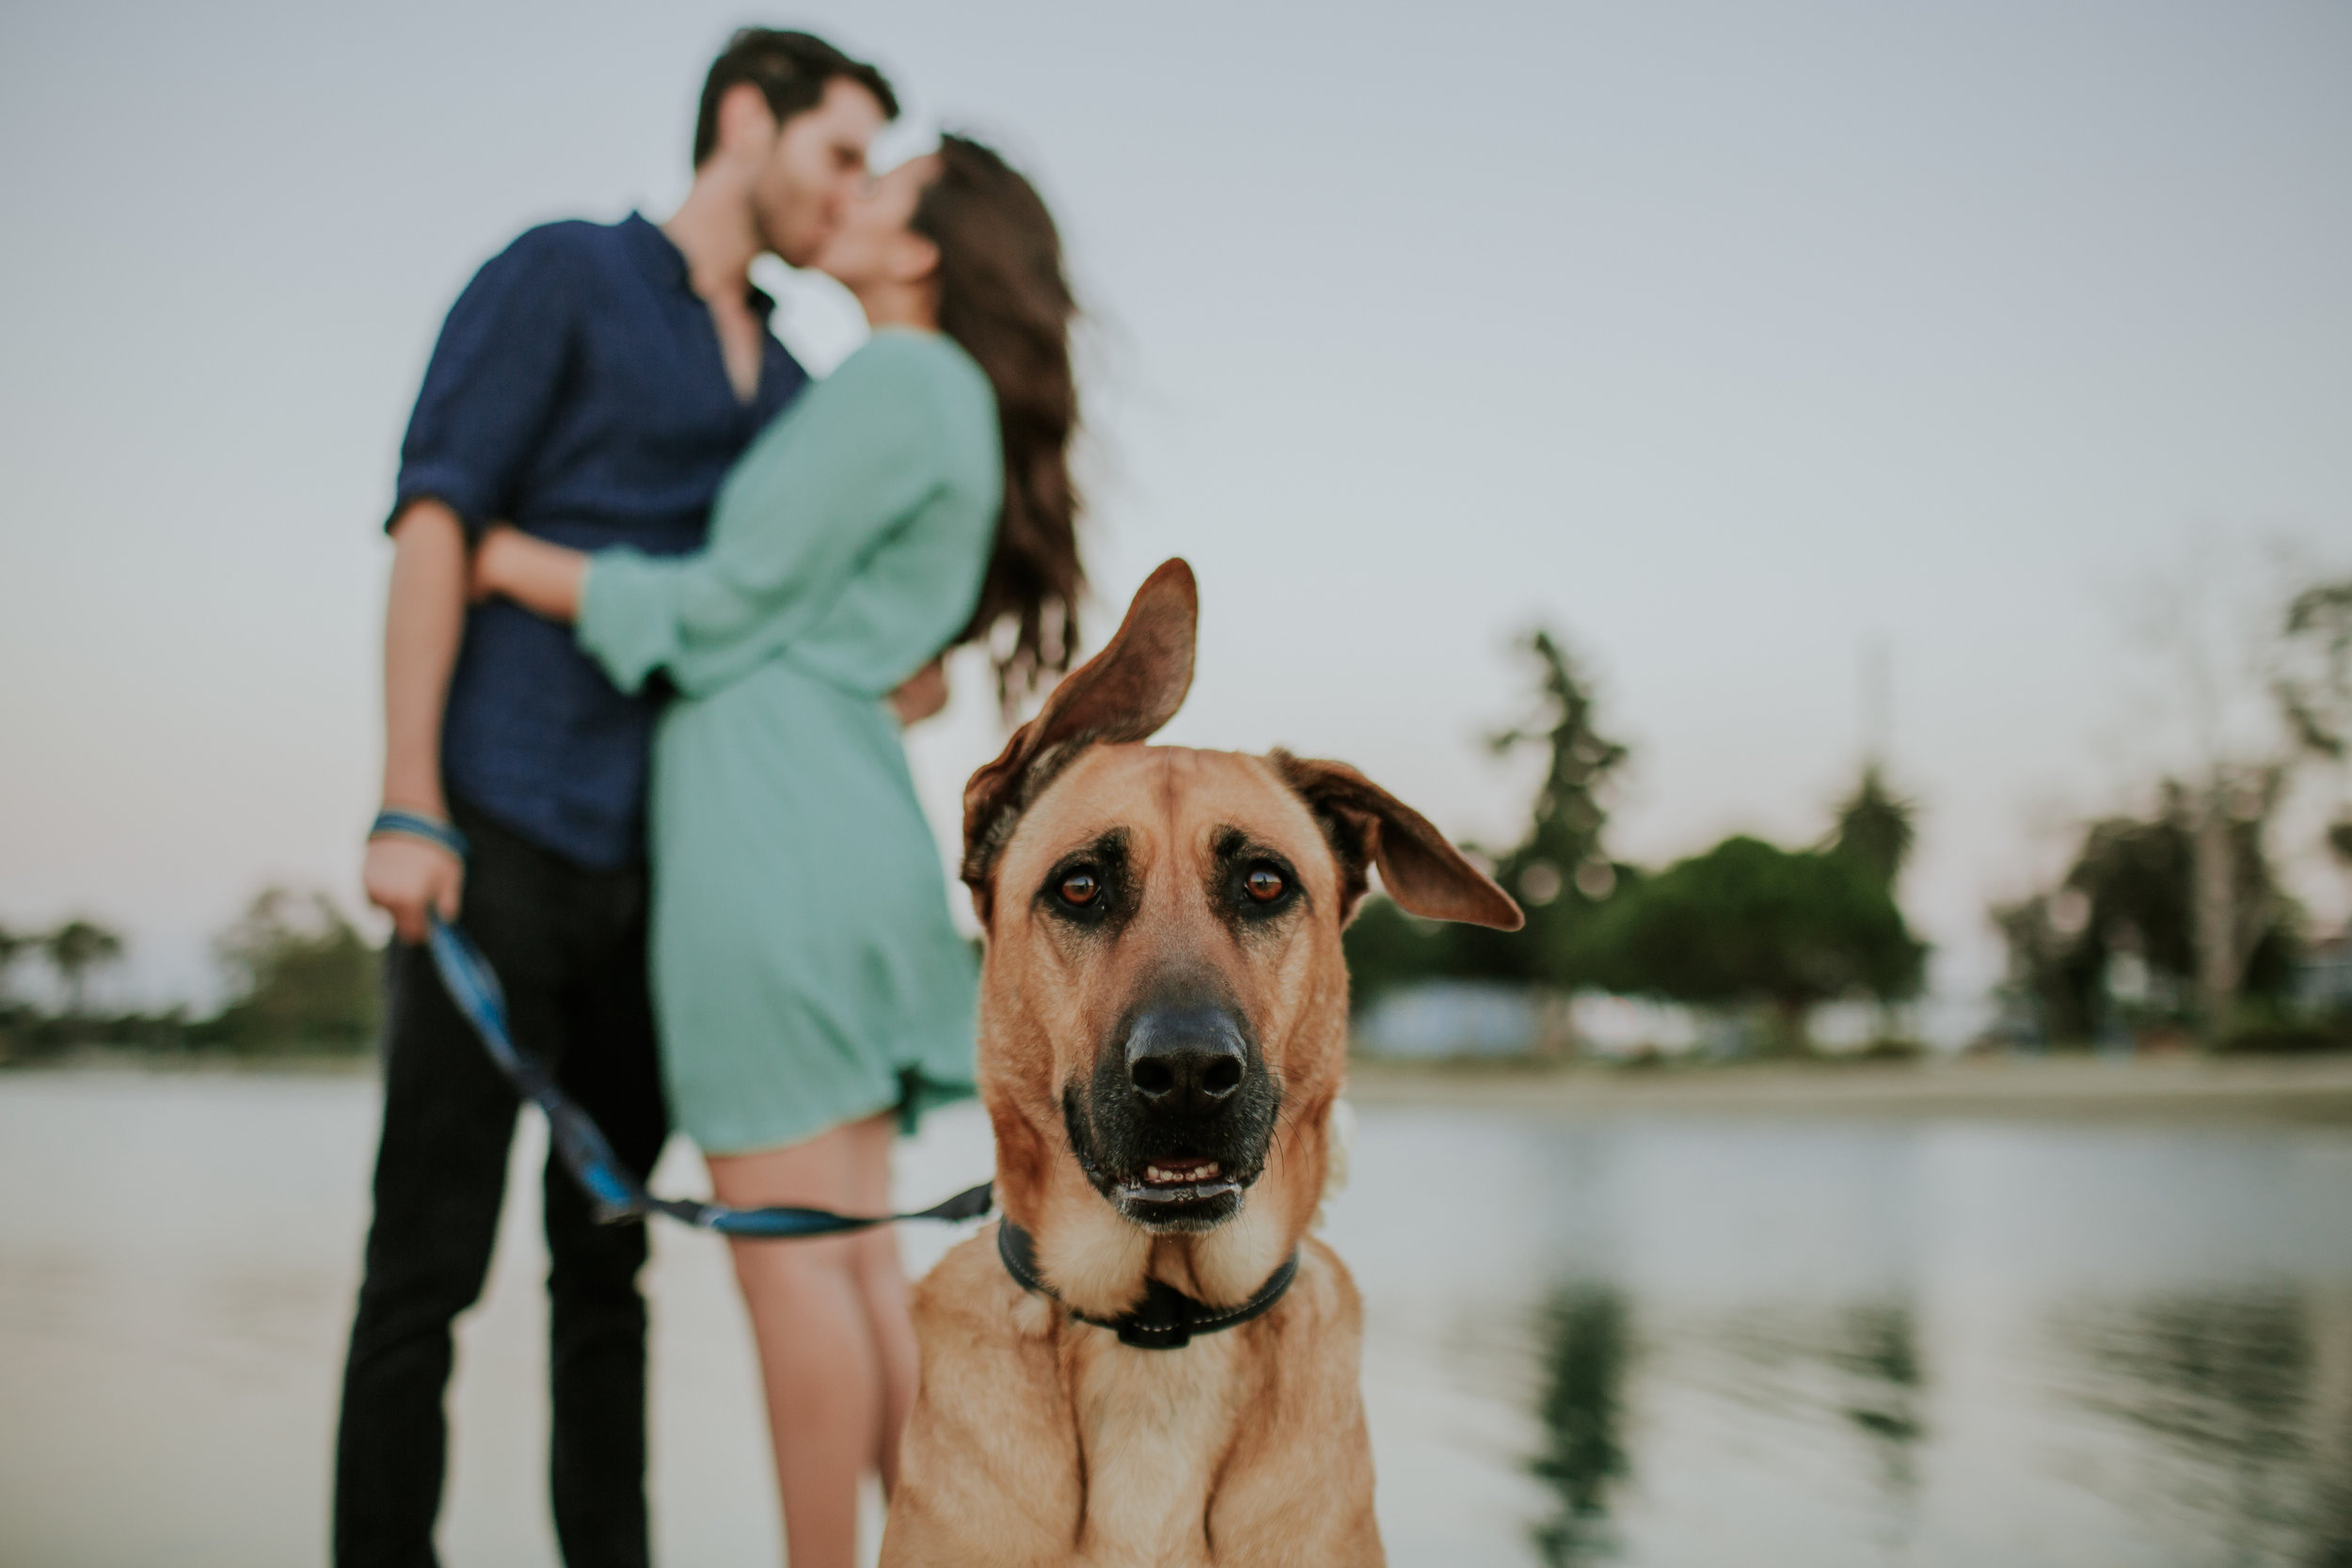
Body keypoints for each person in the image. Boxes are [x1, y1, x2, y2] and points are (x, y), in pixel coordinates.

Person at [469, 133, 1085, 1568]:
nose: (850, 195)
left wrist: (506, 558)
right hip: (835, 807)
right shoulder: (942, 401)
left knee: (799, 1271)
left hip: (771, 824)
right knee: (853, 1265)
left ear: (923, 249)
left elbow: (728, 602)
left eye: (883, 184)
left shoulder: (899, 379)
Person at [339, 30, 901, 1568]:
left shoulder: (795, 381)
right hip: (495, 830)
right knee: (424, 1271)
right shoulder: (561, 274)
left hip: (669, 882)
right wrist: (409, 803)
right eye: (837, 153)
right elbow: (439, 515)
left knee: (608, 1276)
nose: (850, 195)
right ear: (746, 118)